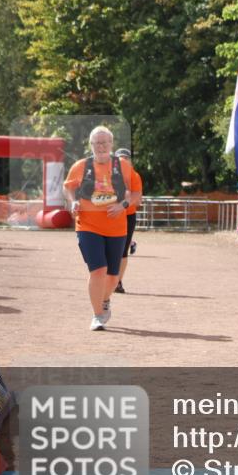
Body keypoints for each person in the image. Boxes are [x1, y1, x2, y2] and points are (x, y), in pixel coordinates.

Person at [63, 126, 140, 331]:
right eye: (97, 143)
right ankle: (97, 315)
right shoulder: (80, 166)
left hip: (116, 228)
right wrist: (73, 202)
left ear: (111, 144)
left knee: (113, 276)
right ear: (91, 145)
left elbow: (136, 194)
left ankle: (105, 300)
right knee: (98, 270)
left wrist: (122, 206)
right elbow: (69, 186)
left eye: (105, 142)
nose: (101, 147)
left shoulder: (123, 167)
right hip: (88, 225)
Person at [113, 148, 142, 293]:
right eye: (120, 158)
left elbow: (138, 200)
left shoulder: (134, 176)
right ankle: (108, 278)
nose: (123, 161)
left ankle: (118, 282)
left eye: (126, 158)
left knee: (123, 250)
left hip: (128, 215)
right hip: (111, 215)